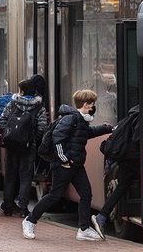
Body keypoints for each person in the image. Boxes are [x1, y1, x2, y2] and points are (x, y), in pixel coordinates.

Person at [22, 89, 112, 241]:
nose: (93, 107)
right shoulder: (70, 119)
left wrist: (107, 128)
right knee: (54, 196)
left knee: (86, 194)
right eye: (92, 104)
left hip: (76, 165)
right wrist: (64, 159)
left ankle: (83, 229)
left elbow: (86, 133)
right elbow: (58, 139)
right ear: (86, 104)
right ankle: (30, 221)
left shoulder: (81, 121)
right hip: (64, 165)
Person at [0, 79, 47, 217]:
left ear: (22, 91)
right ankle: (23, 208)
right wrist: (32, 139)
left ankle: (8, 207)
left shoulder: (12, 103)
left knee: (10, 177)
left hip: (11, 146)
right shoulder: (39, 107)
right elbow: (42, 127)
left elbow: (1, 121)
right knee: (25, 178)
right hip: (28, 147)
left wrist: (8, 136)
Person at [91, 105, 140, 239]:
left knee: (122, 187)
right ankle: (101, 216)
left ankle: (101, 216)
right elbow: (138, 139)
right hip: (133, 158)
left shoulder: (132, 114)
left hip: (125, 157)